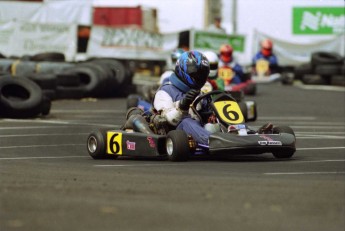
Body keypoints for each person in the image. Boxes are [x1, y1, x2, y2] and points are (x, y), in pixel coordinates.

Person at [153, 50, 212, 145]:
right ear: (183, 70)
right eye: (197, 74)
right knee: (187, 121)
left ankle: (237, 136)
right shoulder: (164, 91)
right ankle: (212, 141)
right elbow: (169, 119)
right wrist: (183, 106)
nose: (200, 77)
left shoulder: (199, 93)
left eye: (202, 74)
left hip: (198, 128)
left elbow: (205, 116)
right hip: (177, 134)